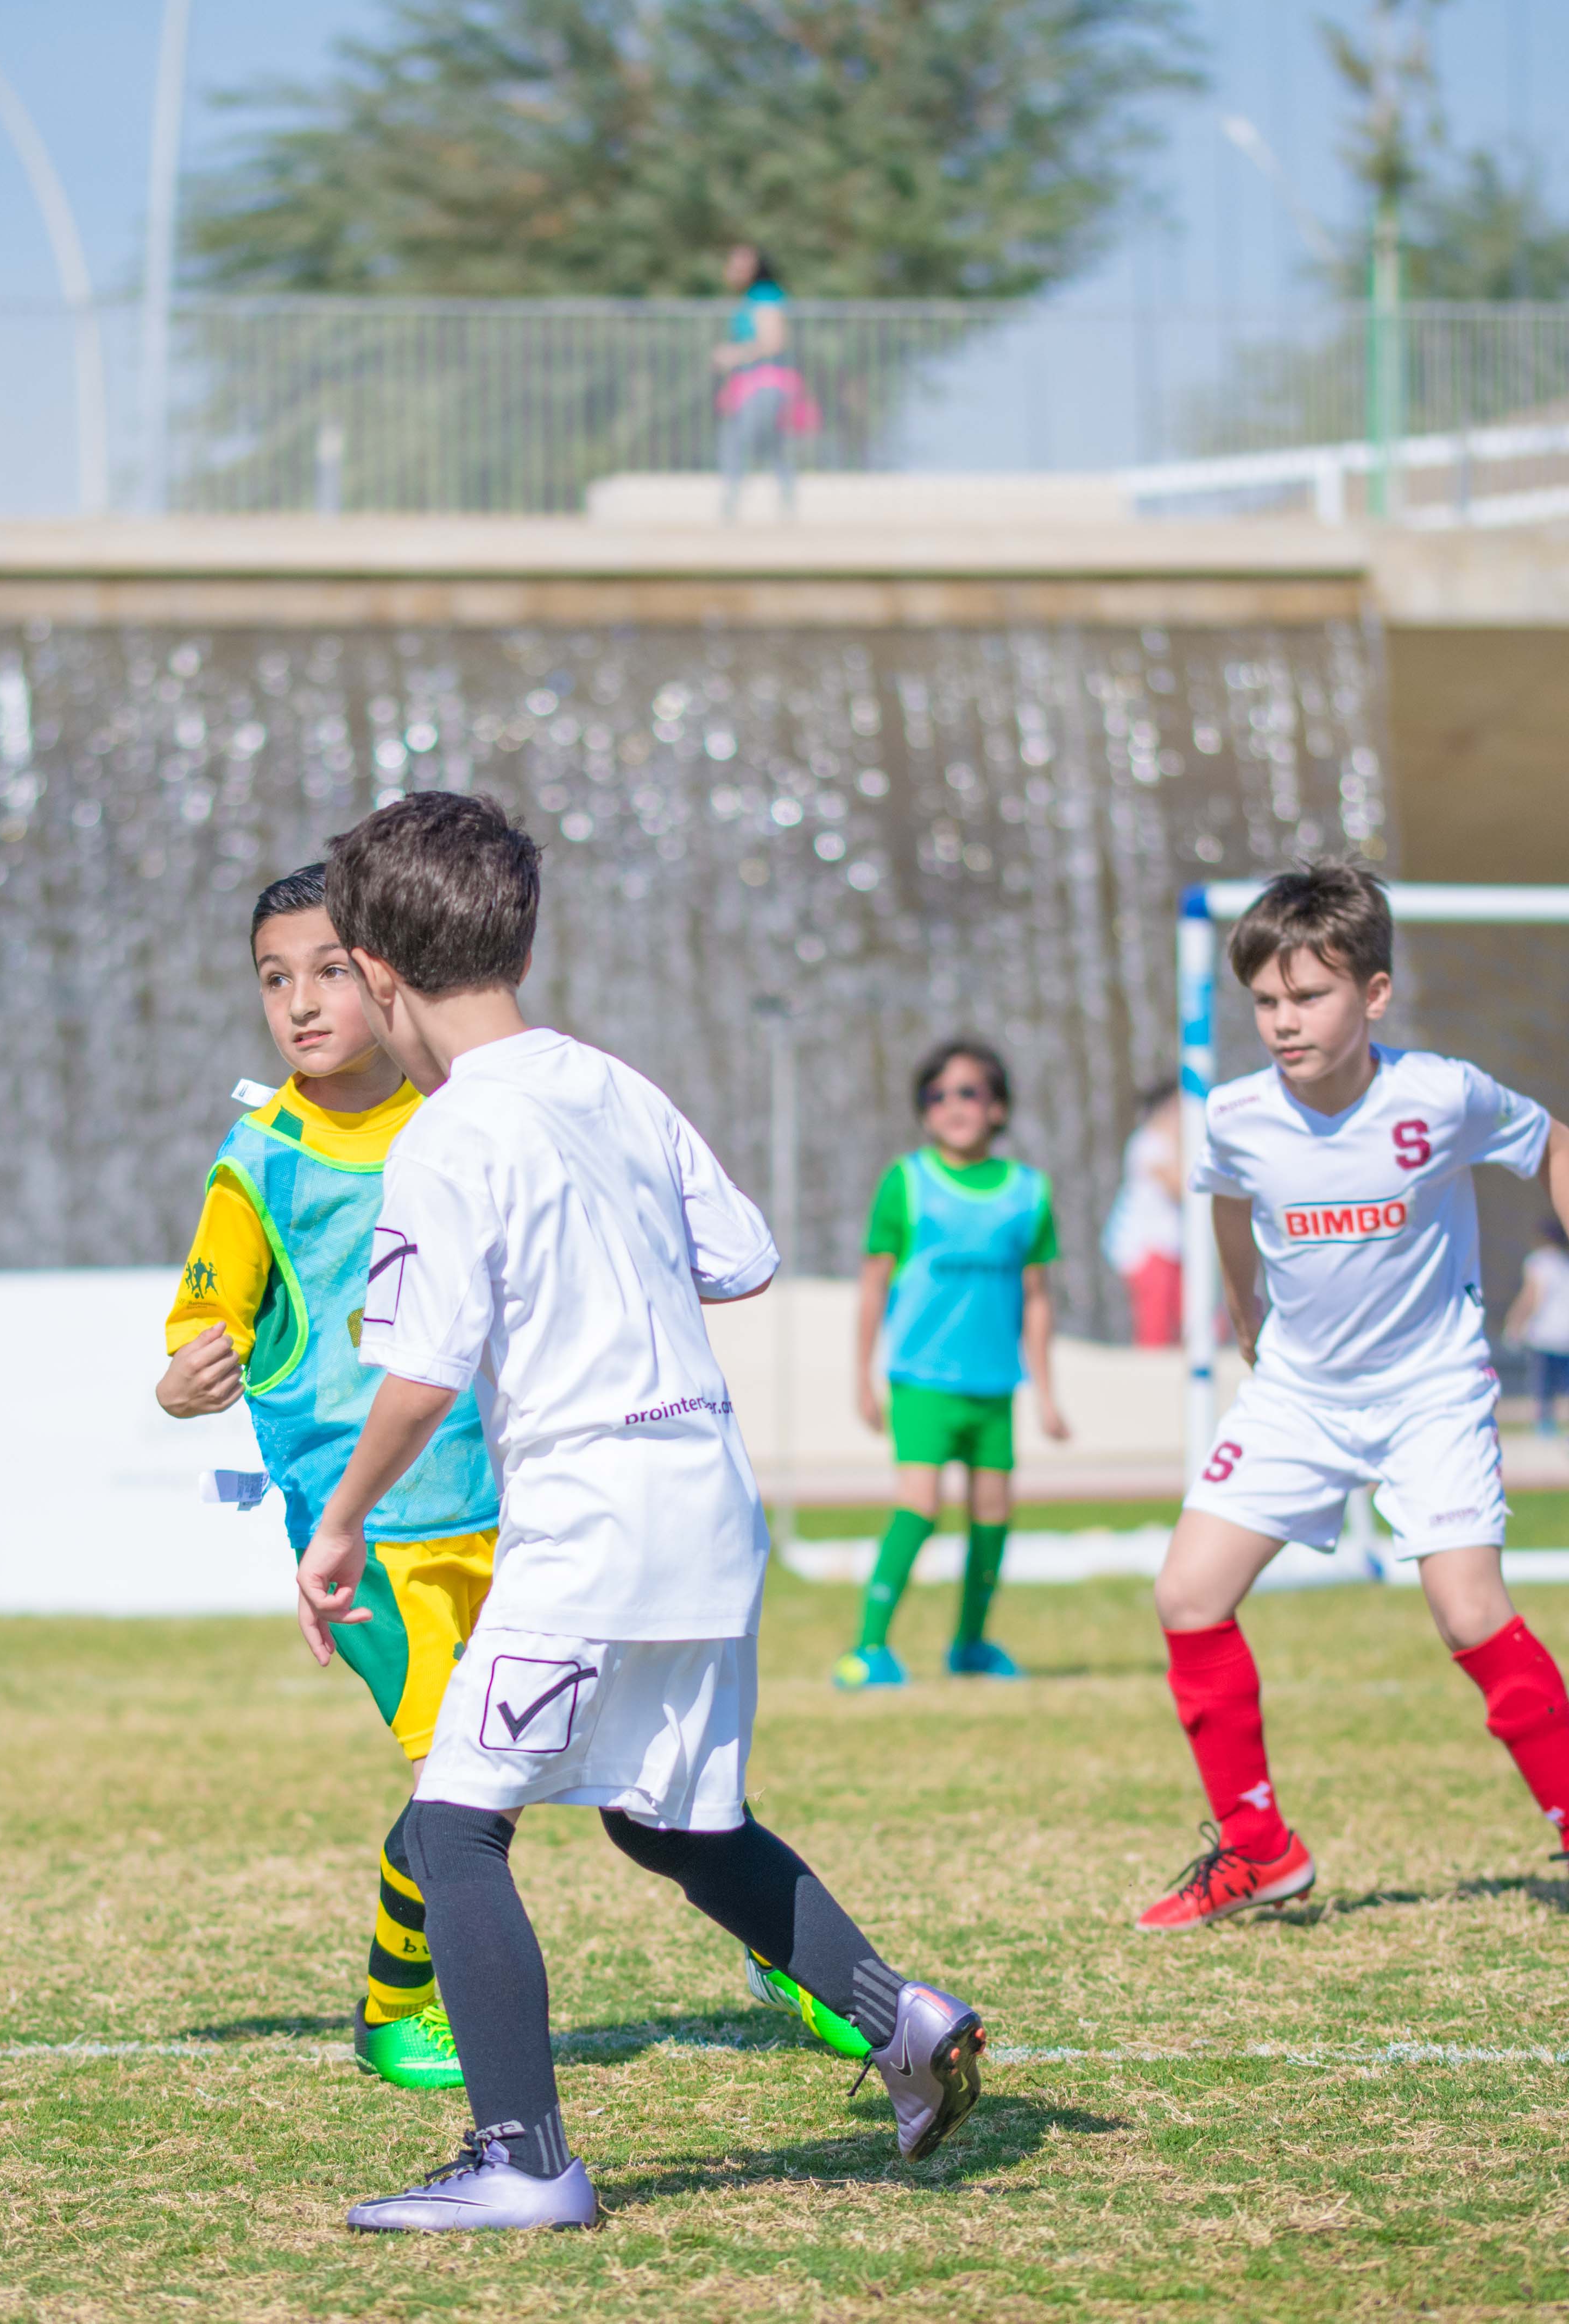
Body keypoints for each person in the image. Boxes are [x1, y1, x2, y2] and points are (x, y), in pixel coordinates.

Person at [292, 792, 984, 2234]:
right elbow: (743, 1256)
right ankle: (900, 2022)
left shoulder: (445, 1134)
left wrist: (340, 1521)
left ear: (379, 973)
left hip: (593, 1510)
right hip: (706, 1492)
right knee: (667, 1820)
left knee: (454, 1825)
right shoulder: (611, 1084)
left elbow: (420, 1377)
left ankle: (523, 2159)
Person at [1139, 861, 1569, 1936]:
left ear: (1372, 994)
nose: (1284, 1021)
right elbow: (1227, 1201)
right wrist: (1240, 1304)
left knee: (1467, 1610)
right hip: (1299, 1394)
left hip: (1429, 1392)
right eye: (1265, 1002)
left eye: (1308, 996)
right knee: (1186, 1593)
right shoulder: (1233, 1113)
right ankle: (1257, 1849)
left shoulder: (1441, 1095)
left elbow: (1554, 1144)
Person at [158, 865, 500, 2092]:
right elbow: (200, 1323)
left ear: (388, 973)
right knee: (460, 1777)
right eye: (273, 977)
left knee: (547, 1755)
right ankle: (396, 2003)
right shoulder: (260, 1161)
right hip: (370, 1529)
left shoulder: (458, 1116)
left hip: (507, 1501)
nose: (299, 1001)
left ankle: (774, 1937)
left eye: (329, 970)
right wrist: (185, 1377)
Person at [841, 1039, 1071, 1687]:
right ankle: (867, 1648)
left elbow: (1036, 1298)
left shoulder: (1027, 1192)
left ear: (997, 1106)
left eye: (967, 1092)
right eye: (936, 1095)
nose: (952, 1106)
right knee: (918, 1505)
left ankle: (970, 1645)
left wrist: (1046, 1395)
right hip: (921, 1380)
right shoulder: (907, 1181)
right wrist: (862, 1378)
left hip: (993, 1383)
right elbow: (873, 1284)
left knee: (993, 1514)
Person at [708, 242, 809, 522]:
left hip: (766, 384)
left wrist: (733, 355)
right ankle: (787, 505)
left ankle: (731, 506)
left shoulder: (765, 297)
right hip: (755, 384)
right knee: (773, 446)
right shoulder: (753, 298)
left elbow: (773, 342)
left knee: (738, 442)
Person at [1105, 1081, 1189, 1348]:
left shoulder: (1169, 1143)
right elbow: (1181, 1187)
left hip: (1175, 1248)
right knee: (1156, 1326)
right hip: (1149, 1248)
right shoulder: (1148, 1143)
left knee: (1195, 1321)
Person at [1502, 1221, 1569, 1435]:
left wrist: (1515, 1322)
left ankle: (1546, 1426)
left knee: (1544, 1386)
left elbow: (1532, 1298)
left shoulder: (1540, 1262)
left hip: (1545, 1336)